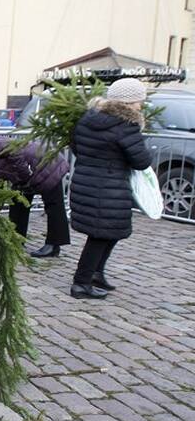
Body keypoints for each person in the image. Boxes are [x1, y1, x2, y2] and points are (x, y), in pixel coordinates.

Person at [68, 78, 151, 299]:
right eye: (138, 101)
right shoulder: (126, 125)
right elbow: (141, 160)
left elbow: (76, 146)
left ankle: (95, 273)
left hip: (87, 181)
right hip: (108, 187)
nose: (140, 106)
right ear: (128, 102)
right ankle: (81, 283)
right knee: (101, 235)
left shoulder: (89, 118)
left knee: (108, 233)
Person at [0, 135, 71, 257]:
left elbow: (13, 150)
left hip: (47, 164)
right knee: (17, 203)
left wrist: (25, 174)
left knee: (53, 206)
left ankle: (53, 245)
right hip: (27, 175)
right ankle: (16, 240)